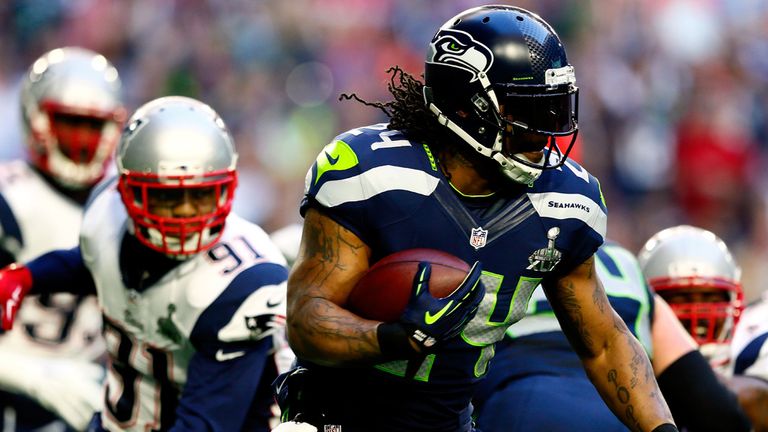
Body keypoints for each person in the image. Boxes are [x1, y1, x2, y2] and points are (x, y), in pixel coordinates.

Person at [278, 5, 677, 432]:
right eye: (530, 113)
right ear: (467, 106)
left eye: (554, 112)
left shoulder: (566, 200)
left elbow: (604, 342)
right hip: (335, 416)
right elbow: (306, 318)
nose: (545, 136)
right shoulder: (373, 173)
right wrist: (391, 337)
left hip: (448, 422)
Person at [0, 96, 290, 431]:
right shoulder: (106, 218)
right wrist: (26, 277)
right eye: (167, 197)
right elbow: (91, 263)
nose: (184, 213)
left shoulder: (242, 284)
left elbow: (206, 423)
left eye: (200, 196)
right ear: (128, 191)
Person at [473, 241, 750, 431]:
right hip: (619, 412)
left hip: (517, 407)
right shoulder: (624, 263)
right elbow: (713, 407)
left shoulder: (485, 248)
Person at [0, 46, 126, 431]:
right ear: (36, 119)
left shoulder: (124, 205)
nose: (84, 139)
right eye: (71, 123)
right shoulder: (10, 200)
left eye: (94, 125)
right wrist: (28, 373)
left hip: (91, 399)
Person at [638, 225, 768, 431]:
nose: (698, 312)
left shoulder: (754, 343)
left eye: (711, 297)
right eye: (680, 297)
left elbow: (755, 398)